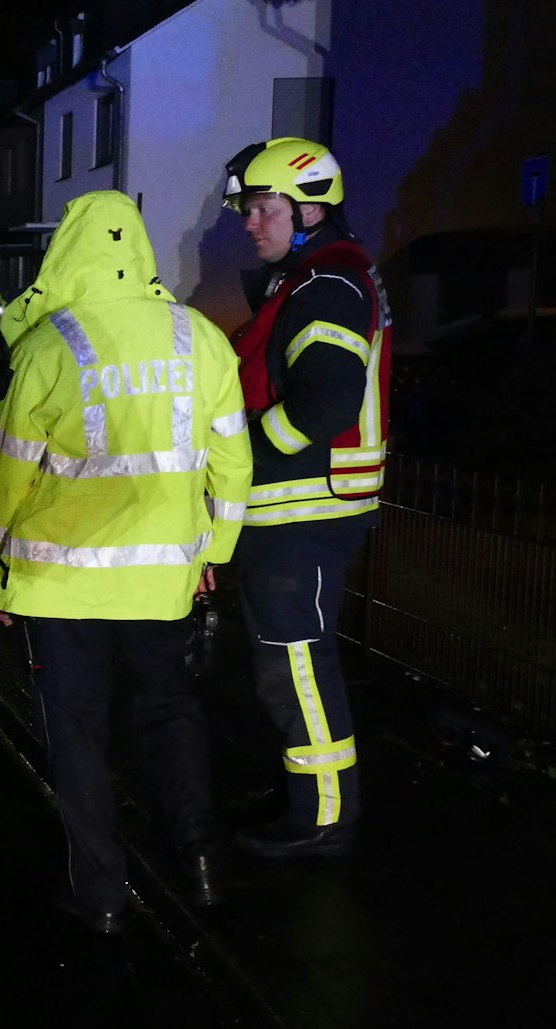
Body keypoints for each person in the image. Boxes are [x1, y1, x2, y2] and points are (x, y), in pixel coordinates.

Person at [0, 190, 252, 933]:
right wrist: (211, 554)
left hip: (58, 581)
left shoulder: (46, 346)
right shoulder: (202, 339)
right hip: (162, 578)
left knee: (76, 730)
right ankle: (200, 865)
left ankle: (100, 895)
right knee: (168, 712)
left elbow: (10, 475)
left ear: (66, 251)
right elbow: (231, 465)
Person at [221, 137, 392, 858]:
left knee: (295, 662)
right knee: (285, 662)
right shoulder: (316, 279)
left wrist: (242, 453)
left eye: (263, 209)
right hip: (297, 513)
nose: (251, 224)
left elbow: (322, 406)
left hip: (304, 515)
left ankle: (323, 817)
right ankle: (306, 790)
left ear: (311, 207)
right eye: (249, 211)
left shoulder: (326, 287)